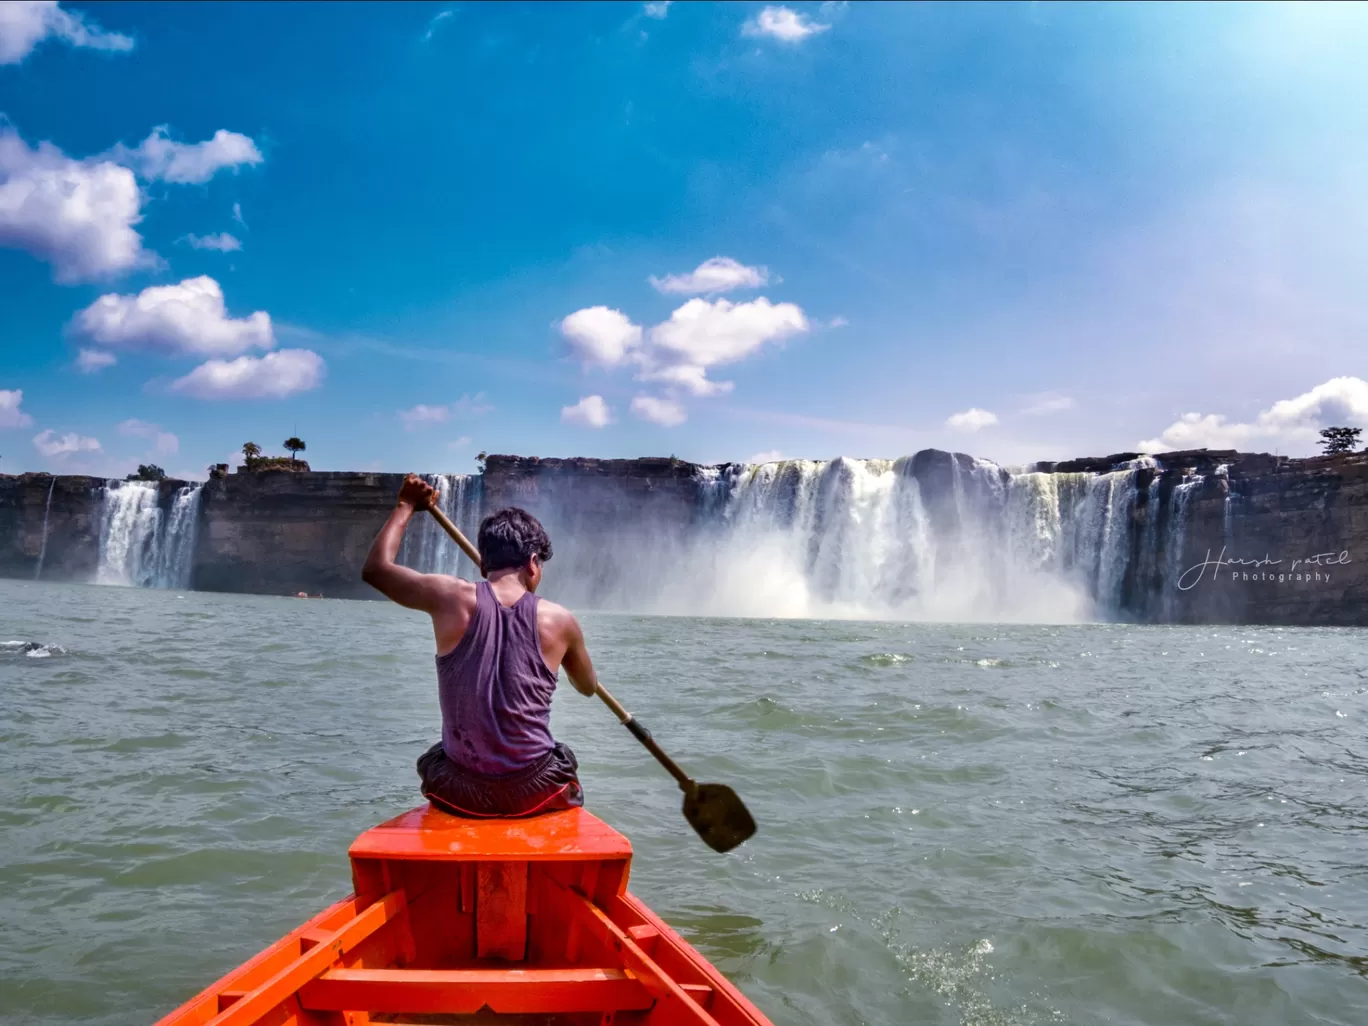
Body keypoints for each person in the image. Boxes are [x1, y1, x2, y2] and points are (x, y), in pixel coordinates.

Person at [361, 474, 598, 817]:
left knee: (435, 756)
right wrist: (570, 657)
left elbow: (376, 571)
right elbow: (588, 687)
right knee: (563, 756)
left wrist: (406, 504)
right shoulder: (561, 620)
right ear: (533, 562)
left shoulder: (448, 596)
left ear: (485, 562)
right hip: (536, 791)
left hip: (459, 791)